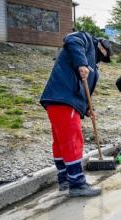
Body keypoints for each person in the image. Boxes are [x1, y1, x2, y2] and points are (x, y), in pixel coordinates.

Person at [40, 31, 112, 197]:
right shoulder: (85, 40)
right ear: (101, 47)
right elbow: (71, 38)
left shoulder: (94, 69)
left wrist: (87, 109)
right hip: (64, 99)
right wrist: (81, 63)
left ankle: (64, 180)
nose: (101, 59)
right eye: (103, 55)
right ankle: (77, 184)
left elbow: (85, 93)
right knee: (73, 141)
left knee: (60, 142)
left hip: (60, 101)